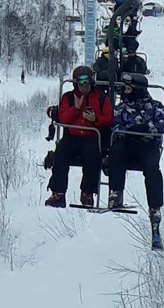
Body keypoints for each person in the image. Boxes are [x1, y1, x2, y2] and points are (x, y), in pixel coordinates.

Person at [106, 58, 164, 247]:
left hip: (147, 146)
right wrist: (129, 129)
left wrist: (146, 128)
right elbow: (114, 123)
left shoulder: (155, 106)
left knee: (152, 169)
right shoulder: (122, 106)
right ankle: (116, 193)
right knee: (115, 153)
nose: (125, 92)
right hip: (127, 143)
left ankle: (155, 208)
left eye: (128, 89)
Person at [44, 63, 113, 208]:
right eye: (81, 83)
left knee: (93, 156)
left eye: (87, 83)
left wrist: (95, 119)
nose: (84, 87)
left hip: (91, 136)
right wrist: (75, 108)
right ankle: (58, 193)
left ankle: (87, 193)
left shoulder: (101, 98)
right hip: (72, 135)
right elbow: (63, 118)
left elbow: (109, 119)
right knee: (61, 154)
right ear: (75, 84)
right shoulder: (68, 98)